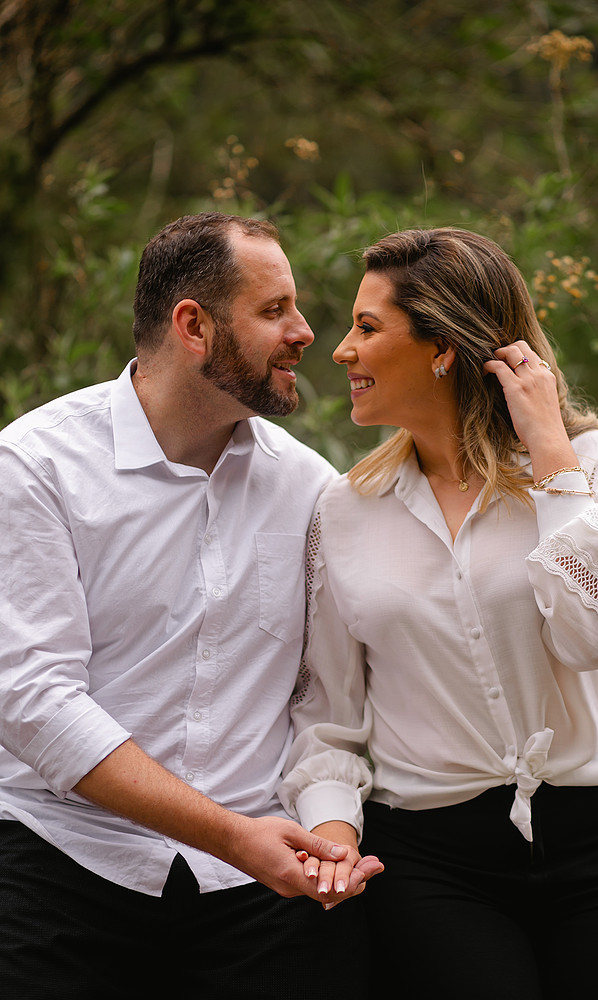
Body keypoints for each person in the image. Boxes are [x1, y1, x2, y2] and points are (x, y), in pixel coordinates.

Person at [0, 213, 383, 1000]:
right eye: (274, 310)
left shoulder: (311, 488)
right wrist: (236, 838)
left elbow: (351, 677)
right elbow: (34, 702)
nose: (307, 332)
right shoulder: (36, 466)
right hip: (59, 860)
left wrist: (585, 703)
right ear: (193, 325)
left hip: (264, 890)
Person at [280, 227, 598, 998]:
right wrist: (330, 829)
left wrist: (551, 454)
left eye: (366, 328)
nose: (341, 351)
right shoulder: (343, 511)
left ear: (442, 348)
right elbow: (326, 712)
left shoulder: (595, 466)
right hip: (430, 862)